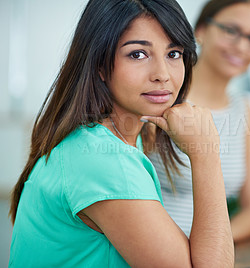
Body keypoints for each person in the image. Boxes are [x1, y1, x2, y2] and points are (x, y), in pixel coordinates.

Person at [8, 0, 234, 267]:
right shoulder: (103, 160)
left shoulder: (104, 139)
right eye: (138, 54)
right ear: (100, 65)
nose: (162, 74)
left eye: (173, 54)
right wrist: (205, 153)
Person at [149, 0, 250, 243]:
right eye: (231, 31)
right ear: (201, 31)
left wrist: (210, 245)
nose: (242, 46)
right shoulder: (161, 95)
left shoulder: (242, 108)